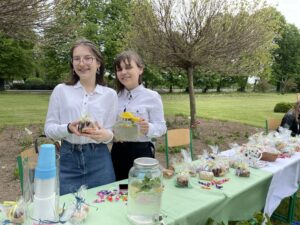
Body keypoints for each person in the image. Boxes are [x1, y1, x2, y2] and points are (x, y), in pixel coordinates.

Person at [44, 38, 117, 195]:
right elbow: (49, 129)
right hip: (68, 159)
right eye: (77, 58)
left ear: (98, 63)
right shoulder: (60, 90)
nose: (82, 63)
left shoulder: (110, 95)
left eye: (87, 58)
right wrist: (68, 128)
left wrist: (104, 135)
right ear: (72, 64)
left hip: (99, 159)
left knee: (105, 209)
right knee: (69, 212)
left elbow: (111, 133)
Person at [111, 50, 167, 181]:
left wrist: (148, 128)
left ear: (140, 69)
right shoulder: (114, 97)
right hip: (118, 153)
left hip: (141, 153)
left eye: (128, 67)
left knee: (142, 189)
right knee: (121, 189)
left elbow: (161, 128)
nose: (123, 72)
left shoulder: (152, 97)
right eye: (119, 69)